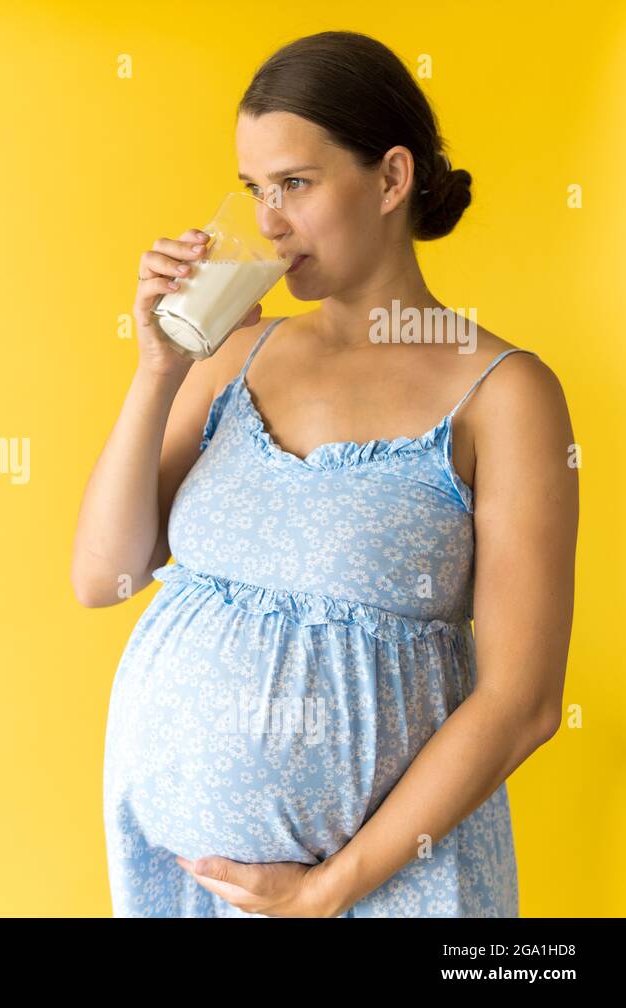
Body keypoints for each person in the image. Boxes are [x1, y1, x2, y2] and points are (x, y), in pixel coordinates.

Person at [71, 30, 577, 917]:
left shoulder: (505, 396)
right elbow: (100, 577)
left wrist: (324, 892)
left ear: (391, 178)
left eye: (295, 184)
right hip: (184, 889)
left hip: (389, 892)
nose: (266, 222)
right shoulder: (235, 351)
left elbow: (523, 701)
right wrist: (157, 369)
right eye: (254, 190)